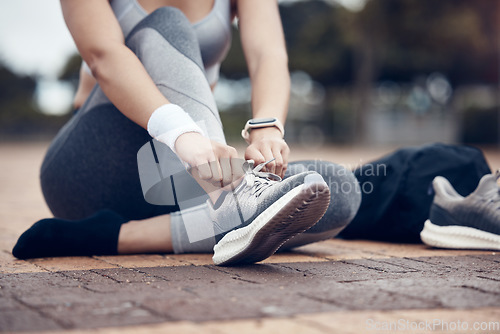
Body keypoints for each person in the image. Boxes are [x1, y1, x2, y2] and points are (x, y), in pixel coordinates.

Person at [12, 0, 361, 265]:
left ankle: (119, 236)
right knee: (167, 22)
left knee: (336, 187)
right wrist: (183, 135)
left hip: (190, 182)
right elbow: (103, 55)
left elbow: (266, 55)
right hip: (97, 165)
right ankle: (232, 204)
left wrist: (266, 129)